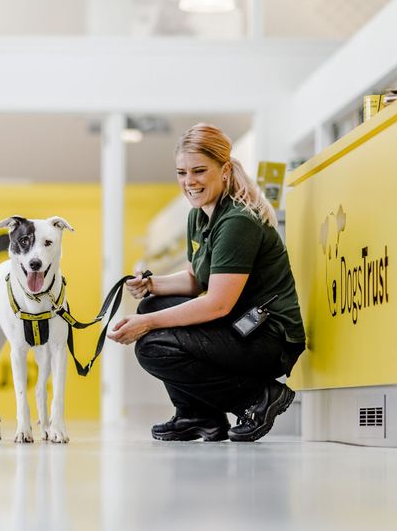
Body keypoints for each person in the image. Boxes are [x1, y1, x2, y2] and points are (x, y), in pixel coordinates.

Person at [107, 123, 306, 442]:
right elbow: (196, 280)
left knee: (153, 344)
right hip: (238, 326)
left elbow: (217, 303)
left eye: (199, 171)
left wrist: (146, 323)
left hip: (268, 336)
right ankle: (199, 416)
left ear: (225, 170)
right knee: (152, 304)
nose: (189, 182)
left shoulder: (238, 221)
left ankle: (257, 397)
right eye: (181, 172)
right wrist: (152, 285)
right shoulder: (199, 216)